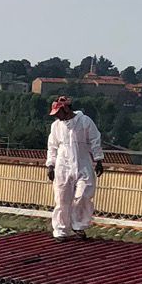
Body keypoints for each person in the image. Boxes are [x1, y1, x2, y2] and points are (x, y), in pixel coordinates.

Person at [45, 91, 103, 240]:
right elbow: (52, 146)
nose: (57, 116)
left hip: (83, 162)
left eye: (59, 112)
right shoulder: (56, 126)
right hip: (62, 164)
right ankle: (61, 229)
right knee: (62, 198)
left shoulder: (84, 121)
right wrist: (50, 165)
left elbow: (95, 140)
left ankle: (78, 224)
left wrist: (98, 159)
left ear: (66, 109)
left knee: (83, 195)